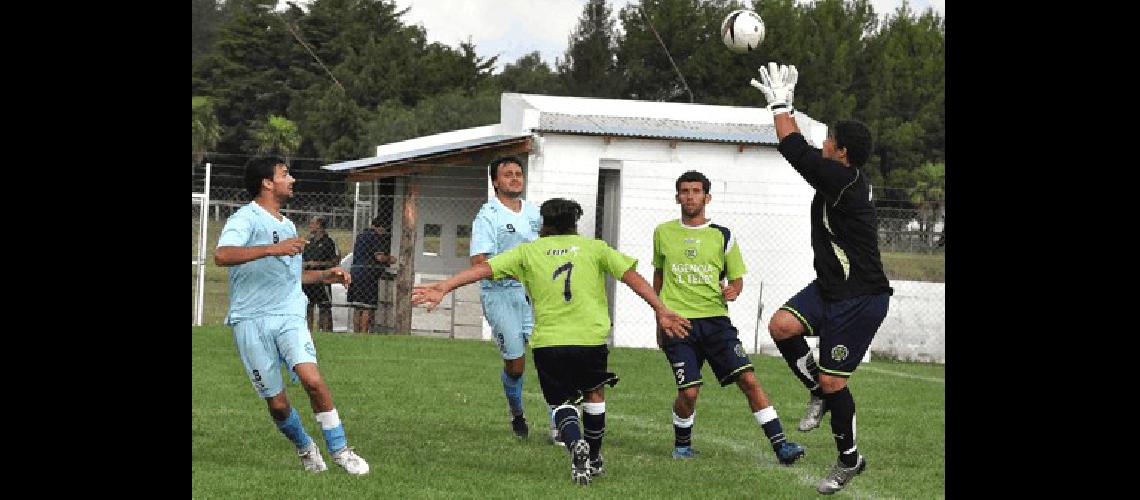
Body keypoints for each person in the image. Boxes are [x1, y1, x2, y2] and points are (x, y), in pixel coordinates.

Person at [413, 198, 691, 486]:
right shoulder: (595, 248)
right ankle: (594, 457)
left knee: (561, 403)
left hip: (550, 342)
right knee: (594, 395)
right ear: (574, 224)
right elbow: (631, 277)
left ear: (543, 225)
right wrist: (660, 309)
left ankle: (575, 447)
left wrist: (444, 286)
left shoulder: (528, 252)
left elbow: (483, 270)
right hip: (590, 338)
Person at [751, 62, 893, 494]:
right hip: (832, 288)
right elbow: (808, 149)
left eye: (829, 139)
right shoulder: (843, 175)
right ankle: (817, 390)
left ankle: (848, 461)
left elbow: (794, 149)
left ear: (842, 152)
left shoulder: (841, 179)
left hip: (860, 297)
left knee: (837, 382)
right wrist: (791, 107)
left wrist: (779, 106)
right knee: (781, 326)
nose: (824, 142)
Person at [214, 156, 369, 475]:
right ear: (266, 183)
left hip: (288, 315)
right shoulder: (246, 218)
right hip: (249, 320)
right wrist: (272, 249)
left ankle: (340, 449)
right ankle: (304, 446)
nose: (293, 179)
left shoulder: (286, 225)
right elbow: (222, 255)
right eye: (285, 174)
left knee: (312, 379)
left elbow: (290, 276)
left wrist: (326, 275)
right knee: (278, 403)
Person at [652, 170, 805, 466]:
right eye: (685, 191)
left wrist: (733, 291)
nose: (690, 196)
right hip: (678, 323)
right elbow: (658, 276)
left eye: (696, 191)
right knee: (689, 391)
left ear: (707, 197)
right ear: (677, 197)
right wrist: (660, 317)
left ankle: (782, 445)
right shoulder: (663, 232)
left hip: (717, 323)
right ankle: (682, 446)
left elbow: (736, 279)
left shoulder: (723, 234)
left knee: (748, 379)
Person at [468, 156, 547, 442]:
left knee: (550, 356)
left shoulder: (535, 214)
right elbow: (479, 260)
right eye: (508, 174)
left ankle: (558, 423)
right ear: (495, 182)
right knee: (516, 364)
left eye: (518, 173)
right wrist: (513, 273)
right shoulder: (488, 215)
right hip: (500, 294)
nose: (515, 178)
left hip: (536, 295)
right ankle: (517, 413)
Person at [347, 216, 395, 333]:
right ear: (380, 228)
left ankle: (356, 333)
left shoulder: (360, 236)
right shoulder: (376, 237)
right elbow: (379, 257)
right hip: (368, 275)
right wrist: (391, 259)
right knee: (367, 306)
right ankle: (364, 333)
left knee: (357, 306)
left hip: (355, 272)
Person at [302, 216, 339, 333]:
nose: (310, 226)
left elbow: (335, 261)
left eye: (312, 223)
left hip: (323, 280)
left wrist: (318, 263)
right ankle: (308, 331)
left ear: (319, 225)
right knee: (308, 306)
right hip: (309, 279)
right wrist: (306, 264)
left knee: (324, 307)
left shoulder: (329, 242)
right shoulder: (309, 242)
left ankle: (324, 330)